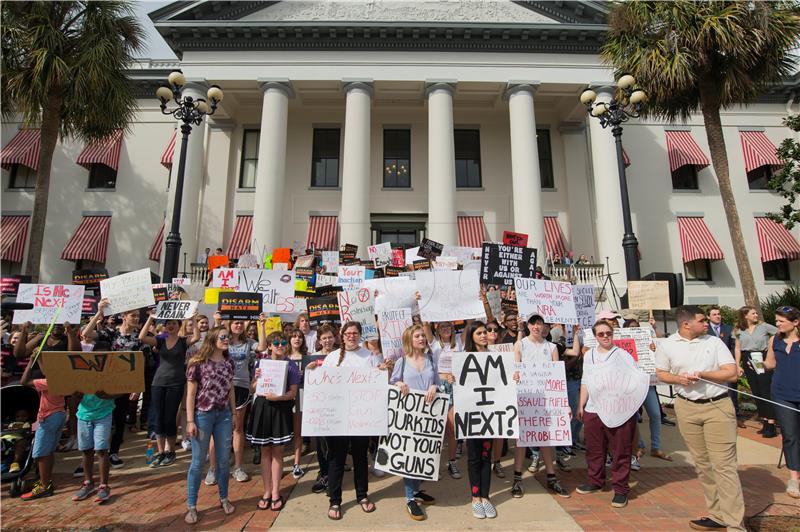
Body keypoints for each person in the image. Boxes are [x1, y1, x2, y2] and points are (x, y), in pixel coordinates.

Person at [655, 306, 744, 531]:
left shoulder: (713, 342)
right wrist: (678, 379)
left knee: (724, 467)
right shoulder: (667, 345)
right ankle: (717, 515)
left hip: (717, 407)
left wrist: (703, 374)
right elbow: (661, 373)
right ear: (686, 324)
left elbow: (731, 373)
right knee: (703, 465)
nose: (707, 324)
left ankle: (735, 524)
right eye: (702, 320)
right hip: (686, 408)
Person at [306, 321, 385, 521]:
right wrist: (311, 371)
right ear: (342, 336)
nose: (352, 336)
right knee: (336, 459)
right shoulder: (332, 358)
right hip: (337, 419)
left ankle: (362, 495)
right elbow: (322, 385)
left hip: (361, 417)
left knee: (360, 457)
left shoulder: (370, 357)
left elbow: (379, 383)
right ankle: (335, 500)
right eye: (348, 333)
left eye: (355, 333)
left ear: (360, 335)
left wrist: (384, 371)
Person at [576, 320, 639, 508]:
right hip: (594, 409)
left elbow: (634, 379)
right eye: (601, 334)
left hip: (617, 409)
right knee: (594, 448)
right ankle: (596, 481)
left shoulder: (623, 355)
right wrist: (581, 404)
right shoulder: (589, 356)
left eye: (608, 333)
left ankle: (620, 489)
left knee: (620, 449)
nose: (605, 336)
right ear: (595, 336)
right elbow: (585, 380)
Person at [511, 315, 570, 499]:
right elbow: (515, 368)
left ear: (544, 326)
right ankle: (517, 478)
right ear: (528, 325)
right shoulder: (520, 344)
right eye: (533, 323)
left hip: (547, 400)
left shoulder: (551, 347)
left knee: (546, 438)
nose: (537, 326)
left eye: (540, 323)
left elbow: (557, 376)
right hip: (525, 397)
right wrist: (515, 377)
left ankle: (551, 477)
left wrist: (564, 402)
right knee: (522, 440)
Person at [184, 326, 237, 524]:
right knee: (198, 462)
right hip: (202, 415)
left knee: (223, 461)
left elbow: (230, 389)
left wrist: (233, 413)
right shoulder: (197, 363)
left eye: (228, 337)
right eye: (223, 336)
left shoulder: (229, 362)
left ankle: (224, 497)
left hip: (223, 415)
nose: (227, 339)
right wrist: (190, 421)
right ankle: (192, 505)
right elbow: (190, 394)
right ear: (213, 338)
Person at [390, 324, 440, 521]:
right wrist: (398, 383)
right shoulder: (401, 362)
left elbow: (436, 381)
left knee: (422, 454)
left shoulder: (430, 359)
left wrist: (435, 386)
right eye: (417, 336)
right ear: (409, 340)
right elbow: (392, 383)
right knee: (409, 457)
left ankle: (417, 491)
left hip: (428, 416)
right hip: (408, 418)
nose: (422, 338)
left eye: (422, 336)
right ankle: (410, 498)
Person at [207, 317, 266, 485]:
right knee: (215, 429)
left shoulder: (248, 342)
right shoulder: (222, 340)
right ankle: (213, 468)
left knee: (238, 428)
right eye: (235, 323)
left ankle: (238, 467)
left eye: (241, 323)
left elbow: (262, 347)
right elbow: (210, 341)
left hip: (241, 388)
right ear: (229, 325)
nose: (239, 325)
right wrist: (217, 322)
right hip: (220, 387)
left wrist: (261, 326)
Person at [138, 313, 201, 467]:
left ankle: (171, 451)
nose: (171, 326)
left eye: (174, 323)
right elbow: (142, 337)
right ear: (165, 326)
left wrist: (193, 318)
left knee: (170, 418)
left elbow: (196, 337)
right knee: (158, 418)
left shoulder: (182, 341)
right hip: (158, 382)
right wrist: (151, 318)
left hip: (176, 383)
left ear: (179, 325)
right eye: (168, 323)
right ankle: (160, 452)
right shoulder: (160, 340)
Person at [248, 331, 300, 511]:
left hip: (280, 408)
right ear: (269, 346)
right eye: (276, 343)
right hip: (262, 408)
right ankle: (266, 492)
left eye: (283, 342)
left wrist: (278, 398)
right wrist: (256, 377)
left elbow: (293, 393)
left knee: (278, 452)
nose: (280, 345)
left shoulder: (291, 365)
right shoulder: (260, 363)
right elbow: (252, 389)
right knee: (265, 452)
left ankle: (276, 492)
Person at [462, 321, 499, 519]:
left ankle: (486, 496)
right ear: (472, 336)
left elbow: (501, 382)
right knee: (474, 457)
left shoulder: (495, 357)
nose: (484, 335)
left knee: (487, 455)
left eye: (485, 332)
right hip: (472, 415)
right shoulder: (465, 359)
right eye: (479, 333)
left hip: (490, 415)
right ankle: (475, 497)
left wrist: (513, 377)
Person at [764, 306, 800, 499]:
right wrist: (759, 365)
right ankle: (794, 477)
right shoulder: (774, 339)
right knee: (790, 435)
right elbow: (770, 363)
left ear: (795, 322)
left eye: (781, 321)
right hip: (781, 393)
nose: (777, 324)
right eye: (776, 321)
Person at [19, 352, 65, 500]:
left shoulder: (49, 381)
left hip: (49, 417)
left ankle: (44, 486)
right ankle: (46, 482)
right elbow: (46, 372)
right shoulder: (62, 380)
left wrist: (33, 360)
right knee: (49, 451)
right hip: (58, 414)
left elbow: (24, 381)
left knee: (41, 453)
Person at [425, 321, 463, 479]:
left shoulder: (460, 341)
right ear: (437, 330)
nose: (446, 329)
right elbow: (425, 323)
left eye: (448, 326)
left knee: (452, 428)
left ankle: (452, 462)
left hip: (454, 388)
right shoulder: (433, 343)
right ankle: (431, 464)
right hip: (437, 388)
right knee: (435, 429)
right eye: (442, 327)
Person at [734, 306, 779, 438]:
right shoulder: (738, 330)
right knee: (757, 391)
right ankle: (765, 421)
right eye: (753, 313)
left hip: (762, 358)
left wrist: (770, 349)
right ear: (745, 315)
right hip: (748, 359)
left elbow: (780, 332)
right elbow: (737, 348)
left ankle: (771, 424)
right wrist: (737, 365)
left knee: (766, 390)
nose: (756, 315)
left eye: (756, 313)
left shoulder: (764, 326)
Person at [306, 324, 338, 494]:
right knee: (321, 442)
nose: (327, 340)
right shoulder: (312, 357)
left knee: (334, 443)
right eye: (324, 338)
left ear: (335, 338)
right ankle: (324, 472)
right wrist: (308, 370)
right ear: (319, 340)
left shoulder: (342, 355)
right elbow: (306, 381)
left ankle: (333, 474)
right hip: (319, 406)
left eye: (330, 337)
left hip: (337, 404)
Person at [706, 307, 744, 428]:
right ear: (708, 317)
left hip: (727, 365)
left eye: (719, 314)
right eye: (714, 314)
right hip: (711, 365)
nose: (717, 316)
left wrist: (735, 364)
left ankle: (736, 416)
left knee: (732, 390)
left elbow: (735, 347)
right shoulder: (704, 330)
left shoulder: (729, 329)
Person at [287, 327, 308, 479]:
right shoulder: (282, 357)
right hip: (284, 397)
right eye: (294, 336)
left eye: (299, 336)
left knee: (298, 431)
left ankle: (296, 463)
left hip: (301, 395)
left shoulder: (308, 358)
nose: (297, 339)